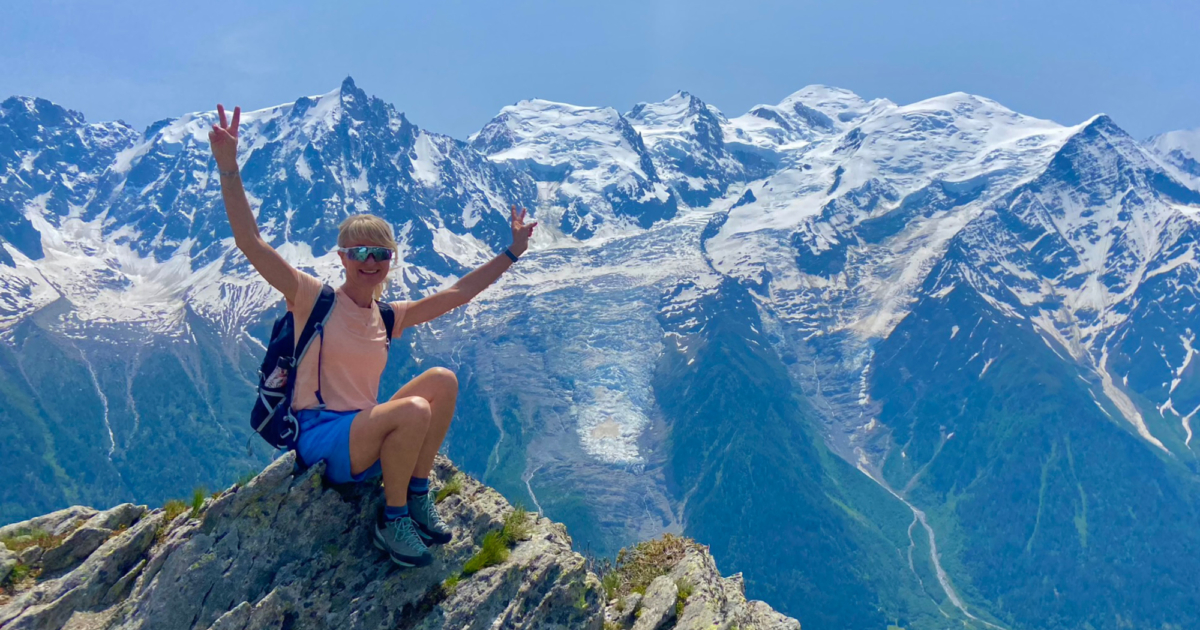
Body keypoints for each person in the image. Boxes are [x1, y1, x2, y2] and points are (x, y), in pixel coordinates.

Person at [208, 104, 536, 568]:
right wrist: (228, 168)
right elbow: (251, 243)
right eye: (359, 251)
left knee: (442, 380)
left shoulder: (385, 316)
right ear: (342, 257)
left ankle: (417, 493)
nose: (370, 260)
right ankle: (393, 518)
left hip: (363, 430)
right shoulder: (311, 298)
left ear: (390, 259)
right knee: (415, 407)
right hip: (320, 438)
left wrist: (512, 252)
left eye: (380, 252)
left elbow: (458, 293)